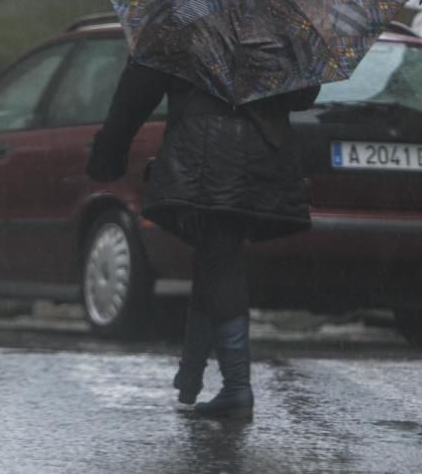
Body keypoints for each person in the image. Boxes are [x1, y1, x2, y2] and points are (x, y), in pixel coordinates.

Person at [86, 60, 319, 419]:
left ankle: (237, 388)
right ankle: (191, 378)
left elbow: (139, 86)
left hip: (204, 153)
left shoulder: (183, 16)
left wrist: (109, 152)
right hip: (263, 153)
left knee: (220, 258)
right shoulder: (276, 23)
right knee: (216, 254)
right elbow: (304, 94)